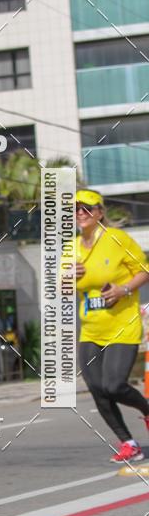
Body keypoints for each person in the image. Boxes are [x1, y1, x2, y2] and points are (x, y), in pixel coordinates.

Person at [75, 189, 149, 463]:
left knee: (115, 386)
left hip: (122, 326)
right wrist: (67, 277)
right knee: (97, 388)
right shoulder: (71, 248)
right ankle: (129, 443)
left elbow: (144, 271)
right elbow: (61, 286)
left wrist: (123, 290)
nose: (81, 213)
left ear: (100, 212)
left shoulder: (119, 240)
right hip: (90, 330)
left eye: (88, 208)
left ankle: (147, 409)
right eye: (76, 209)